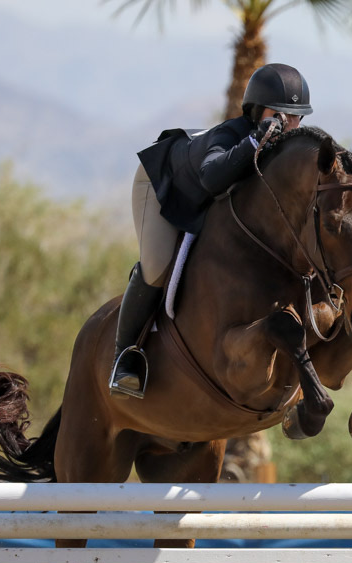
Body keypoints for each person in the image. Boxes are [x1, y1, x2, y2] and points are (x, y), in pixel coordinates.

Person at [109, 63, 312, 399]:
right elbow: (211, 177)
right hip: (161, 186)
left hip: (205, 204)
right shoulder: (231, 135)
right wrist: (252, 142)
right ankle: (124, 357)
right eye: (280, 115)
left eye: (296, 117)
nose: (289, 125)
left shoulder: (281, 149)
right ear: (258, 111)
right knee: (158, 266)